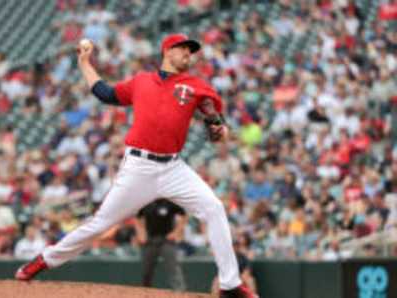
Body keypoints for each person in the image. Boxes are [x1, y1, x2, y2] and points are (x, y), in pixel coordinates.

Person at [14, 33, 257, 298]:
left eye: (191, 50)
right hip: (139, 167)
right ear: (167, 51)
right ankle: (43, 260)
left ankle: (230, 284)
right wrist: (85, 64)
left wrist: (219, 129)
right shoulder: (142, 81)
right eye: (183, 49)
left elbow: (214, 116)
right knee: (100, 224)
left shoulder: (196, 85)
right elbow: (105, 93)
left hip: (174, 168)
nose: (189, 54)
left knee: (214, 208)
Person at [134, 198, 187, 291]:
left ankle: (180, 292)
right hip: (150, 240)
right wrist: (141, 233)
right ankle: (144, 292)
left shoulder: (169, 202)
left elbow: (184, 215)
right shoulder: (146, 201)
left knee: (173, 268)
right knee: (147, 271)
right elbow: (137, 217)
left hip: (167, 240)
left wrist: (176, 232)